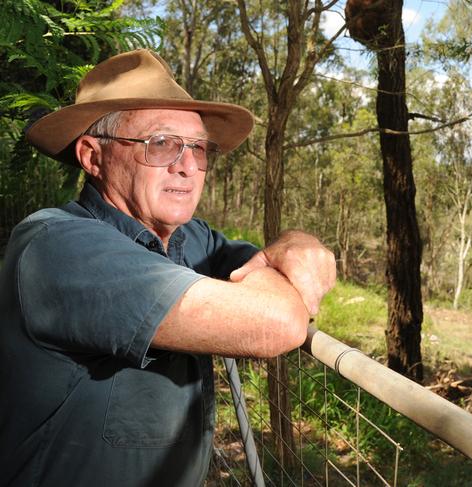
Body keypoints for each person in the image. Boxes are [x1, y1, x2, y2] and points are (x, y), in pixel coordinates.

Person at [0, 49, 336, 486]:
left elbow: (267, 261)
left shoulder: (189, 238)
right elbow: (276, 322)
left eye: (198, 148)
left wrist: (296, 241)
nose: (187, 165)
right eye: (159, 143)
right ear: (92, 157)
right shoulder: (57, 246)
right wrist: (283, 282)